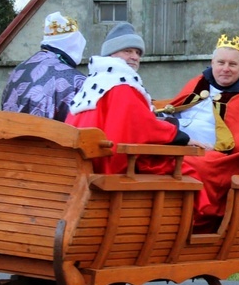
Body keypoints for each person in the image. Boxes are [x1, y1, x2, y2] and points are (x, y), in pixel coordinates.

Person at [160, 34, 239, 228]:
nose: (225, 69)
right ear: (211, 63)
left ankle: (188, 220)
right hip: (181, 144)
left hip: (221, 156)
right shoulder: (199, 83)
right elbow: (176, 106)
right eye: (220, 62)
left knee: (191, 165)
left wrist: (216, 148)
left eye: (232, 64)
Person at [66, 22, 203, 175]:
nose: (135, 57)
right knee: (195, 171)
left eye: (138, 52)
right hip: (109, 170)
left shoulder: (93, 83)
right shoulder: (122, 86)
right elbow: (143, 126)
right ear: (111, 53)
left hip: (82, 165)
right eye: (127, 51)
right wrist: (182, 137)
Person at [1, 11, 86, 122]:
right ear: (74, 44)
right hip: (50, 138)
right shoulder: (76, 80)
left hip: (9, 137)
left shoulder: (18, 70)